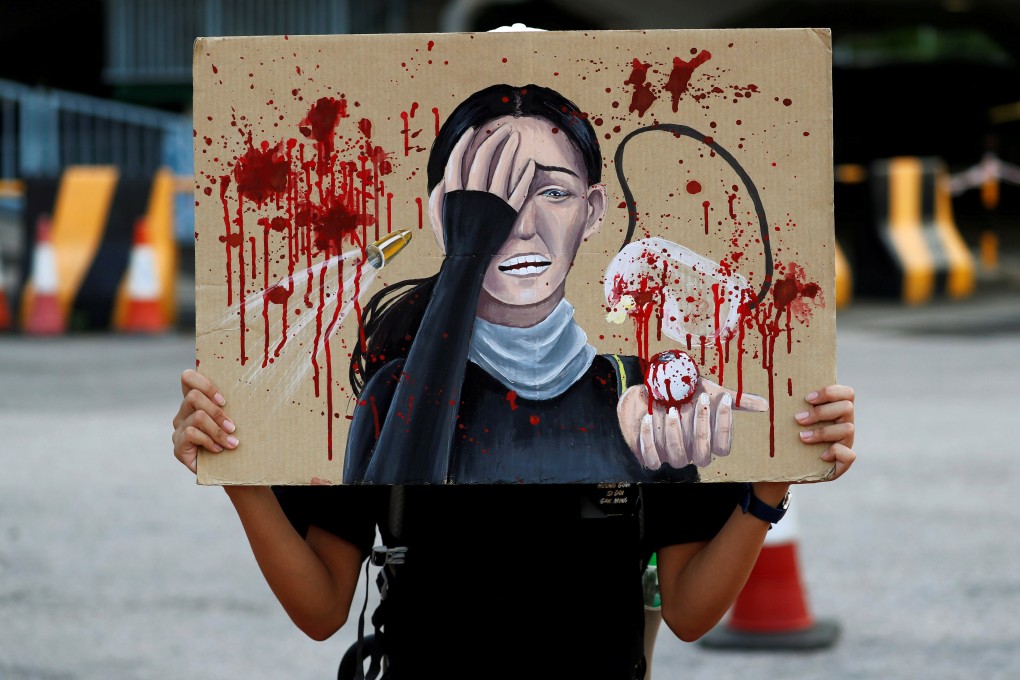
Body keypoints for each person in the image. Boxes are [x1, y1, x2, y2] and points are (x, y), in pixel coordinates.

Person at [172, 82, 857, 679]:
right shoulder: (390, 396)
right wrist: (240, 469)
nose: (519, 224)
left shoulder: (642, 391)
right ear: (444, 214)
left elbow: (687, 611)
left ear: (591, 212)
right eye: (489, 200)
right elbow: (321, 608)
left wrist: (771, 487)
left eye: (551, 192)